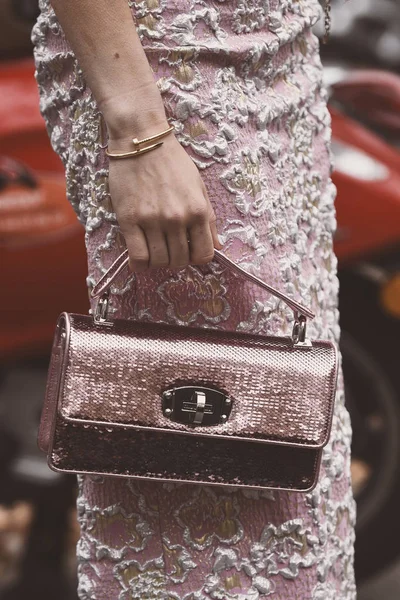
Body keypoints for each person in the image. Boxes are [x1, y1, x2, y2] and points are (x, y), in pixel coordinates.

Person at [32, 0, 356, 597]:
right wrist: (138, 132)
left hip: (282, 69)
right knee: (173, 456)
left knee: (289, 430)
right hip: (177, 86)